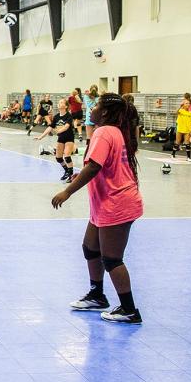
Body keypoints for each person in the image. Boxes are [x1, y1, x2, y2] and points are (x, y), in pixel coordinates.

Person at [53, 93, 144, 324]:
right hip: (105, 201)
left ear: (103, 112)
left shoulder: (104, 132)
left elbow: (94, 166)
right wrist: (78, 175)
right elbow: (102, 166)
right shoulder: (115, 131)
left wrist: (68, 191)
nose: (90, 109)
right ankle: (97, 295)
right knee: (90, 247)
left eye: (95, 106)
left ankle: (129, 309)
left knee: (112, 258)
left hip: (117, 203)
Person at [35, 98, 77, 182]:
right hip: (61, 138)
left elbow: (66, 127)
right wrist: (41, 136)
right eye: (59, 102)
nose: (59, 103)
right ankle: (66, 171)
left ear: (65, 106)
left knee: (67, 156)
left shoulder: (69, 115)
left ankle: (71, 174)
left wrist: (58, 131)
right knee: (58, 158)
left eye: (61, 102)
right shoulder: (56, 116)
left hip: (69, 138)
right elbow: (50, 127)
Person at [174, 97, 191, 161]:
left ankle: (189, 157)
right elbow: (176, 112)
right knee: (177, 142)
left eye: (188, 103)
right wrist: (180, 106)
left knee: (187, 143)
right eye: (186, 103)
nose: (188, 104)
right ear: (183, 104)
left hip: (187, 130)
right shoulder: (181, 111)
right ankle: (173, 154)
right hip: (180, 129)